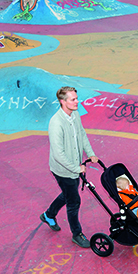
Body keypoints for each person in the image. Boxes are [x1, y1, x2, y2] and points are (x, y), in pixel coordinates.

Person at [40, 86, 99, 248]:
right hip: (63, 169)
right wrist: (76, 168)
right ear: (62, 101)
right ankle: (76, 233)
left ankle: (48, 215)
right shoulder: (56, 123)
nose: (77, 102)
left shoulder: (75, 115)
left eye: (76, 98)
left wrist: (90, 153)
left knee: (68, 194)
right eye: (73, 99)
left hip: (74, 165)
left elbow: (82, 134)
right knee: (74, 201)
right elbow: (58, 155)